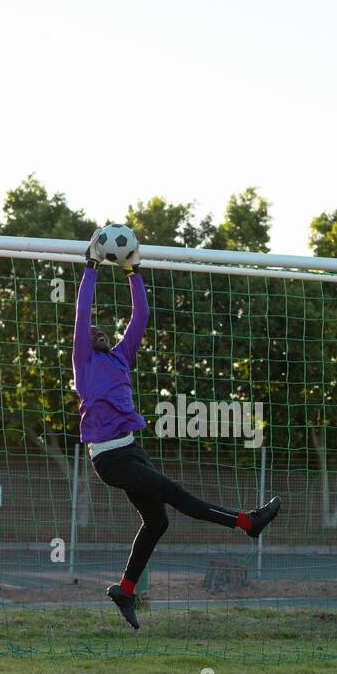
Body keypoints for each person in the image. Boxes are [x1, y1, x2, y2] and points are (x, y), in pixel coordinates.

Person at [73, 230, 281, 629]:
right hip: (109, 457)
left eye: (102, 331)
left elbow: (141, 317)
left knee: (158, 521)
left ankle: (125, 590)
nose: (96, 332)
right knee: (175, 493)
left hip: (131, 448)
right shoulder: (84, 361)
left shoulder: (120, 357)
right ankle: (247, 523)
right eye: (91, 332)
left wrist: (133, 272)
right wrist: (92, 267)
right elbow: (83, 314)